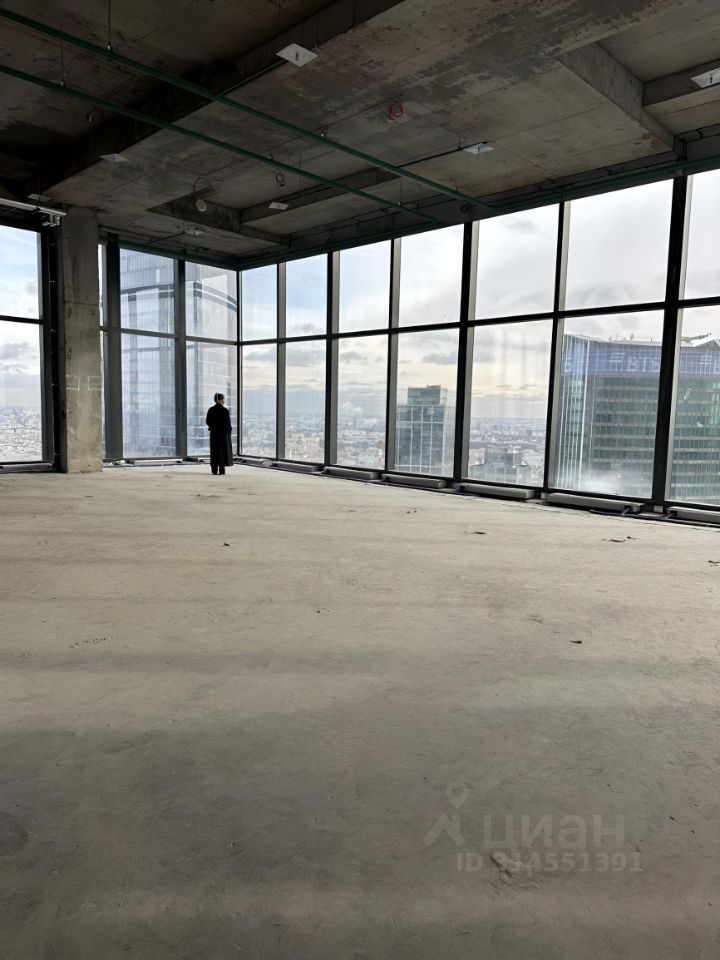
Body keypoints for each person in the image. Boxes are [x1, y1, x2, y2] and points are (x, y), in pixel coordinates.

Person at [205, 392, 233, 475]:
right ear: (220, 400)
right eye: (223, 400)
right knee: (222, 452)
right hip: (223, 434)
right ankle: (221, 470)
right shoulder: (225, 411)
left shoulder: (210, 409)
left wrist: (213, 426)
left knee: (214, 451)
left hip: (214, 433)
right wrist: (229, 432)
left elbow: (208, 421)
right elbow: (227, 424)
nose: (224, 401)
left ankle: (214, 470)